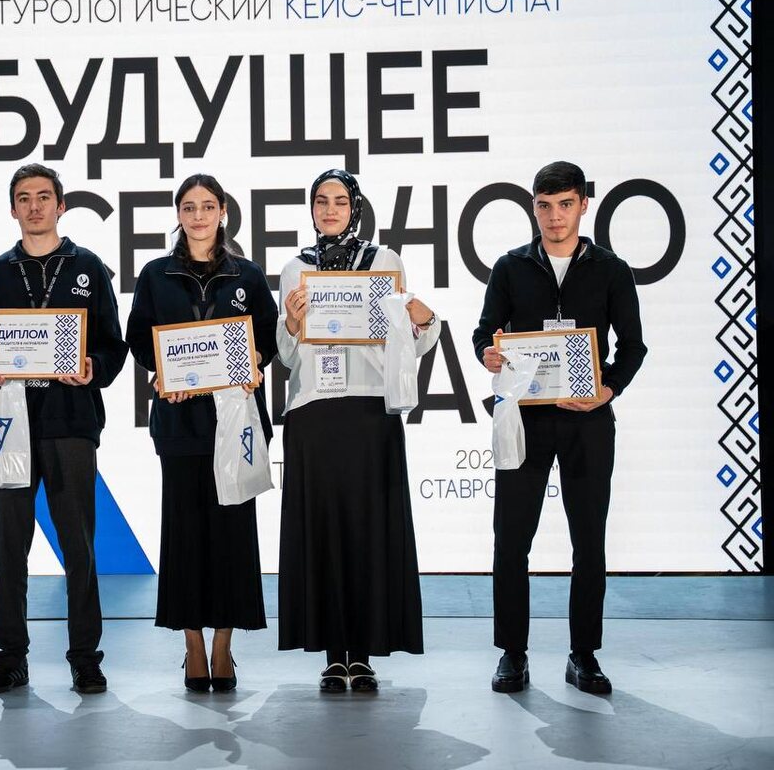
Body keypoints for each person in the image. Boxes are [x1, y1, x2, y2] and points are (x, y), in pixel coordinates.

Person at [473, 160, 647, 695]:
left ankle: (584, 655)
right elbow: (485, 332)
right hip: (524, 419)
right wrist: (488, 354)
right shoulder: (510, 267)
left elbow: (633, 346)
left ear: (583, 205)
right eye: (545, 206)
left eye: (565, 204)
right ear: (534, 208)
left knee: (589, 541)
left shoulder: (611, 269)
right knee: (511, 539)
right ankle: (512, 653)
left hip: (588, 421)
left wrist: (607, 389)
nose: (554, 217)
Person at [0, 163, 128, 694]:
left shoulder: (88, 267)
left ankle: (85, 658)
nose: (34, 206)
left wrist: (91, 367)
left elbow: (113, 346)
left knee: (79, 546)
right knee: (10, 546)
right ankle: (10, 658)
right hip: (8, 428)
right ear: (13, 209)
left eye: (44, 197)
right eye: (24, 198)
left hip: (71, 423)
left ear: (61, 206)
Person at [277, 169, 439, 692]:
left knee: (368, 532)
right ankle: (333, 655)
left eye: (340, 201)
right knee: (322, 532)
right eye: (321, 201)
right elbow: (286, 355)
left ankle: (363, 655)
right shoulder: (295, 269)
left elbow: (409, 340)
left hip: (370, 411)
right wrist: (293, 324)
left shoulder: (384, 262)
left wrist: (425, 320)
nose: (330, 210)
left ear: (355, 208)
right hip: (314, 411)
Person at [125, 174, 277, 692]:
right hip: (179, 423)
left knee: (233, 536)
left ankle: (223, 645)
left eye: (207, 206)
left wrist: (255, 360)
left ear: (223, 213)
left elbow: (267, 337)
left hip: (236, 423)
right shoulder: (156, 273)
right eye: (189, 207)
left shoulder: (247, 274)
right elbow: (139, 337)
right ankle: (192, 644)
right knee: (185, 535)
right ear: (178, 214)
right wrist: (160, 371)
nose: (198, 216)